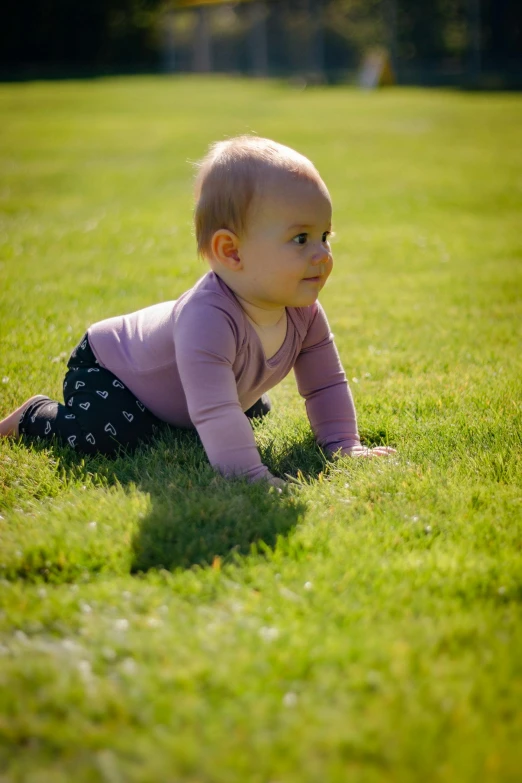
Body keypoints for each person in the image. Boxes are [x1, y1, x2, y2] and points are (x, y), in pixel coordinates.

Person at [0, 136, 394, 488]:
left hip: (192, 393)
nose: (322, 254)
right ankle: (35, 416)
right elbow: (216, 410)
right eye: (301, 238)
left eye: (325, 236)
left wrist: (344, 445)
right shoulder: (207, 318)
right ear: (231, 251)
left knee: (245, 411)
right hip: (111, 371)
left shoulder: (304, 312)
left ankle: (197, 411)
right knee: (117, 434)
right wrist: (248, 475)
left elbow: (325, 384)